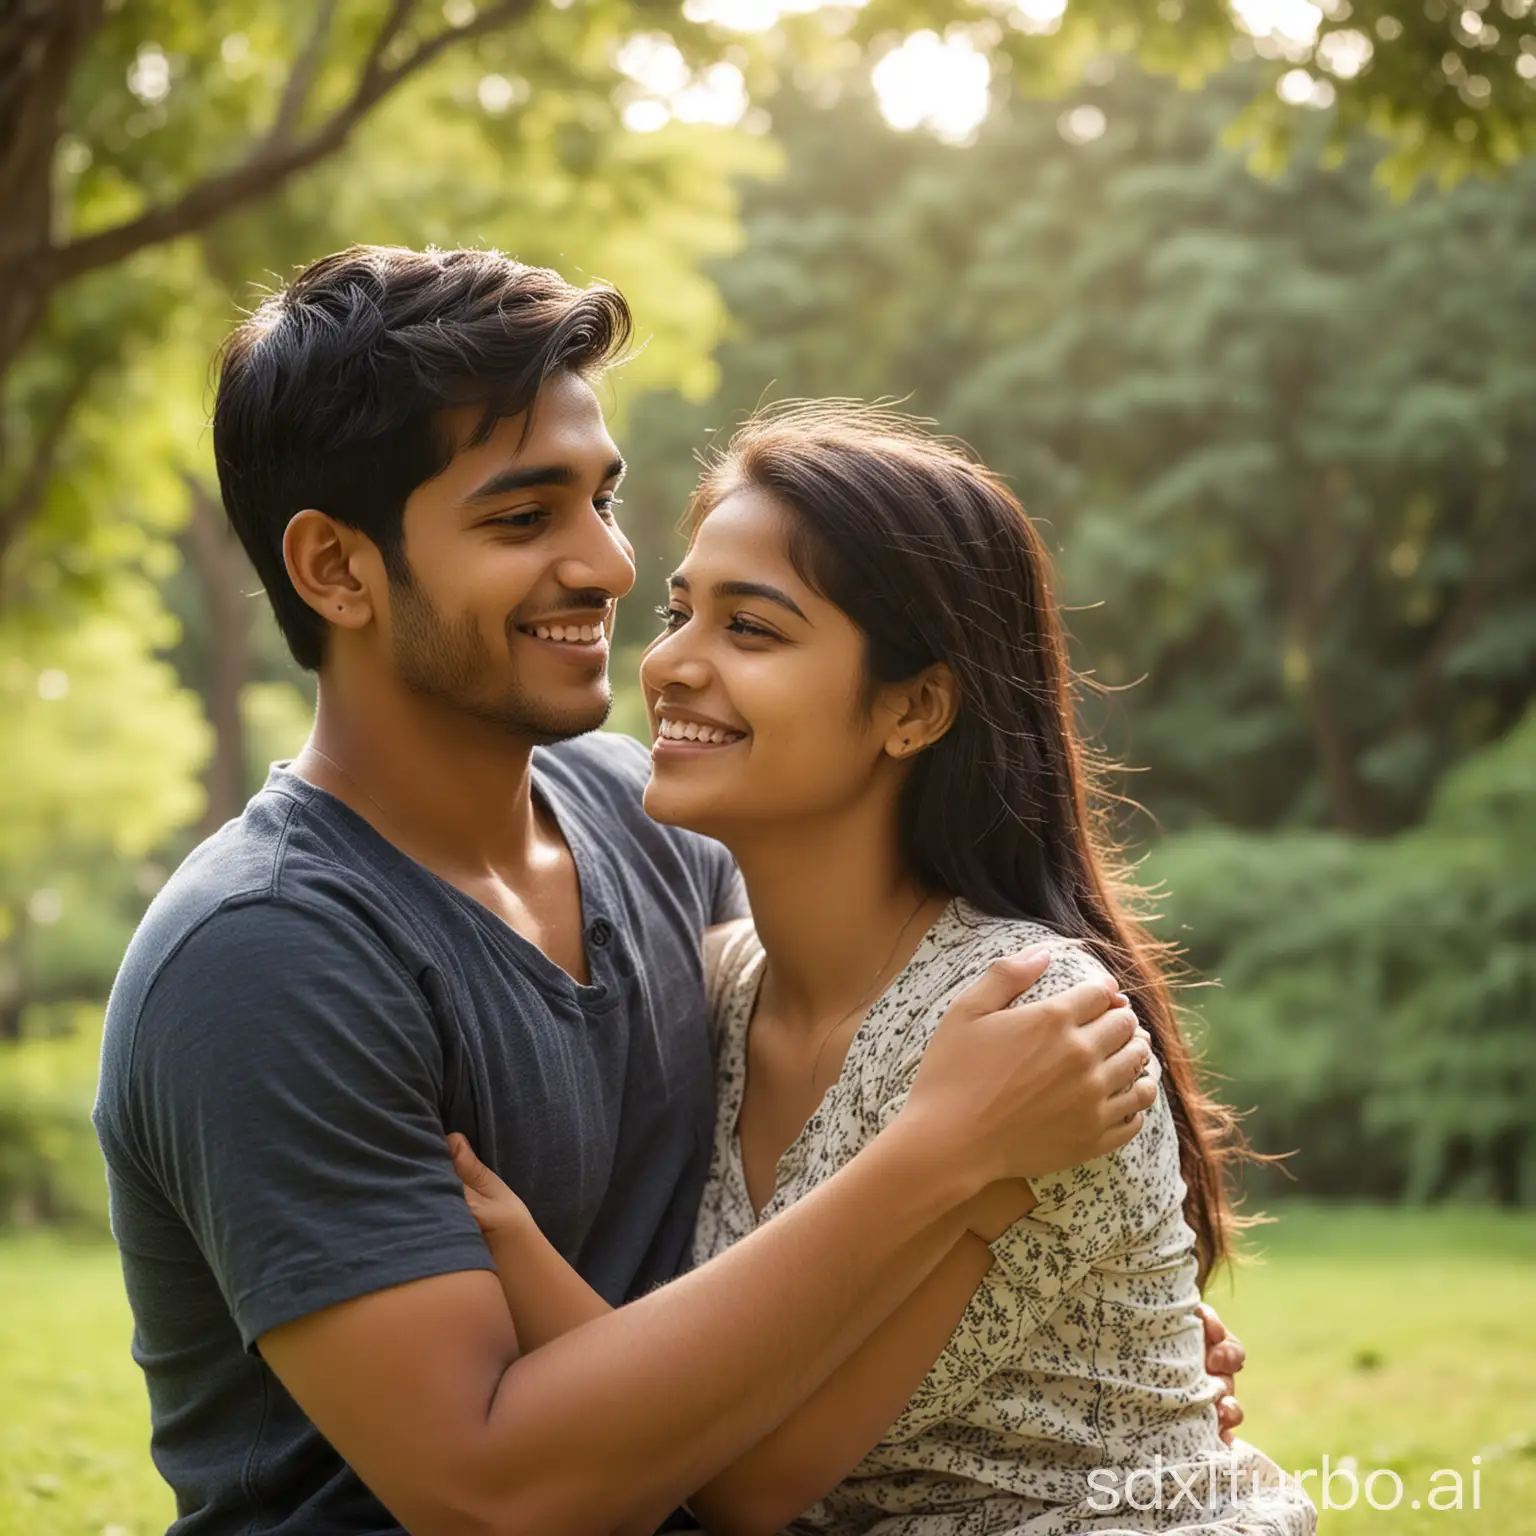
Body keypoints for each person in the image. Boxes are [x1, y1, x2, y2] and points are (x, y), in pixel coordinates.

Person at [92, 246, 1247, 1536]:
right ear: (336, 571)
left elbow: (846, 1083)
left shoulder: (649, 833)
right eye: (524, 518)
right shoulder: (270, 954)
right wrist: (944, 1168)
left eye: (601, 500)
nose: (607, 566)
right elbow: (496, 1498)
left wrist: (1075, 1316)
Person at [447, 401, 1316, 1534]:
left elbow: (745, 1485)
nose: (668, 664)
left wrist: (507, 1247)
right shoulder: (714, 991)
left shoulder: (1026, 1030)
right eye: (679, 612)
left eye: (749, 630)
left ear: (913, 708)